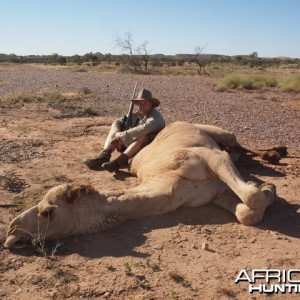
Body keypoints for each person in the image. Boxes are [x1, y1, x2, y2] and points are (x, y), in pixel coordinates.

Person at [84, 88, 165, 173]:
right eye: (139, 103)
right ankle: (104, 155)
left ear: (150, 103)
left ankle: (119, 162)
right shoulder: (137, 114)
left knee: (143, 136)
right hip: (132, 145)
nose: (141, 105)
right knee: (118, 125)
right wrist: (117, 133)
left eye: (143, 103)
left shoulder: (156, 118)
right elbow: (117, 122)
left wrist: (122, 135)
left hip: (150, 148)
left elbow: (144, 129)